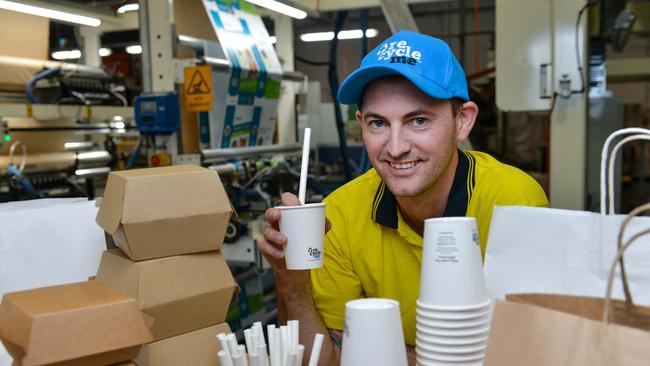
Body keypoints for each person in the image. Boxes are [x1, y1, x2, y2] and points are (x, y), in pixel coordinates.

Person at [257, 30, 549, 365]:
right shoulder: (339, 214)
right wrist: (291, 280)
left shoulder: (514, 203)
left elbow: (531, 352)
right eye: (378, 123)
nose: (396, 148)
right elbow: (324, 361)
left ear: (463, 121)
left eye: (418, 120)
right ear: (360, 124)